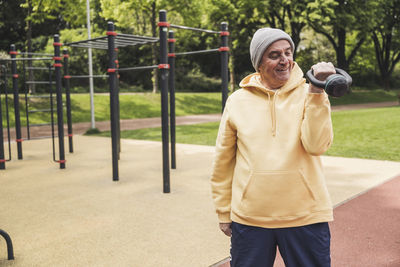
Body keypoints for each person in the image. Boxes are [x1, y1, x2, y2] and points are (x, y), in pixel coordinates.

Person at [210, 27, 335, 267]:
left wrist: (317, 92)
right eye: (274, 55)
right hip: (251, 217)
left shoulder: (311, 92)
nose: (284, 60)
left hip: (305, 215)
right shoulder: (237, 101)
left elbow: (317, 145)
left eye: (288, 53)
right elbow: (223, 161)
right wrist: (223, 211)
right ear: (259, 62)